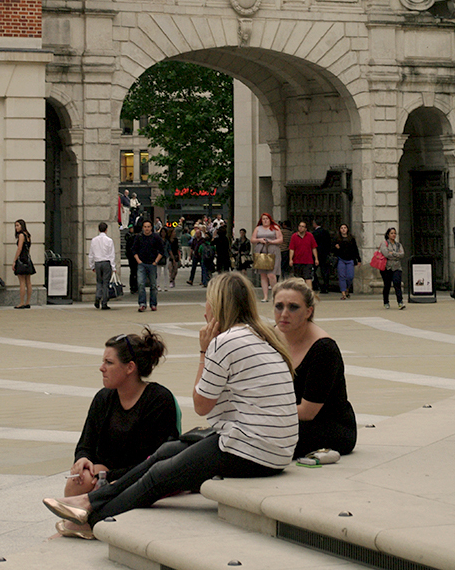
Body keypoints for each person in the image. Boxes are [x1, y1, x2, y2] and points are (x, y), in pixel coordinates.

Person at [43, 272, 298, 532]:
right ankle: (88, 500)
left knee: (159, 475)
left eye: (208, 302)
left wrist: (204, 350)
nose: (205, 311)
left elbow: (201, 405)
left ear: (219, 306)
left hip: (252, 449)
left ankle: (92, 521)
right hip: (276, 447)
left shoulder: (225, 342)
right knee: (166, 453)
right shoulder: (264, 335)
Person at [59, 329, 179, 537]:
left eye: (109, 362)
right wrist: (83, 460)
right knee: (77, 480)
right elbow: (86, 444)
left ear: (130, 368)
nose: (101, 368)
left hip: (141, 479)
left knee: (93, 483)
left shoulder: (158, 400)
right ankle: (80, 525)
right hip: (104, 474)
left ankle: (83, 526)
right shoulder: (104, 398)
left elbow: (154, 462)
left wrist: (109, 475)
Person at [273, 278, 357, 459]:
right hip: (286, 419)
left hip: (328, 427)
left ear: (308, 312)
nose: (284, 314)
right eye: (278, 306)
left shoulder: (324, 349)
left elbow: (307, 412)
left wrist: (262, 413)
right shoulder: (272, 337)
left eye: (293, 307)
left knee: (259, 439)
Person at [251, 212, 283, 302]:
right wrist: (259, 240)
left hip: (272, 251)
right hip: (261, 251)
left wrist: (272, 241)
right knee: (263, 275)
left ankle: (275, 294)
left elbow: (280, 239)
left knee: (271, 274)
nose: (265, 220)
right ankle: (265, 296)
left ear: (270, 219)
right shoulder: (258, 228)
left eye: (267, 219)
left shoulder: (275, 228)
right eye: (263, 219)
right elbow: (252, 239)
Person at [133, 219, 163, 312]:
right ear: (143, 228)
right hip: (142, 264)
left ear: (151, 228)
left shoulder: (156, 237)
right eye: (145, 227)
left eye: (148, 227)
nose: (147, 229)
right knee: (141, 284)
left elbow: (161, 251)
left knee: (153, 285)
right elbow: (134, 250)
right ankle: (142, 303)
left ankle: (153, 304)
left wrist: (156, 262)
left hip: (152, 264)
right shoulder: (139, 237)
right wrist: (138, 261)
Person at [88, 222, 116, 311]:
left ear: (98, 229)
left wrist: (92, 265)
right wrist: (113, 267)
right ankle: (104, 302)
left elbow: (91, 254)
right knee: (105, 283)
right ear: (106, 229)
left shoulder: (94, 240)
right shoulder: (109, 240)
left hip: (97, 262)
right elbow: (112, 254)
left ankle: (98, 296)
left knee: (99, 281)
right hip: (106, 262)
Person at [379, 227, 405, 310]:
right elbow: (386, 254)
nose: (393, 235)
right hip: (387, 267)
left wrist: (393, 253)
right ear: (388, 234)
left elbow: (402, 254)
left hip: (397, 267)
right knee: (387, 285)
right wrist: (396, 255)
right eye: (392, 233)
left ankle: (400, 302)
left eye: (394, 233)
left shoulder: (398, 245)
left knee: (397, 283)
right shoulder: (384, 244)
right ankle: (386, 302)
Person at [333, 224, 361, 300]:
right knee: (342, 276)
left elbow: (355, 249)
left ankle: (347, 288)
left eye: (345, 228)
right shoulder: (337, 238)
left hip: (350, 259)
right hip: (340, 259)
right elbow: (332, 249)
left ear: (347, 229)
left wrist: (359, 259)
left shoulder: (351, 238)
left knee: (350, 276)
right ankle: (343, 294)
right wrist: (336, 247)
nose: (343, 229)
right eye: (341, 228)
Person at [12, 219, 35, 309]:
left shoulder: (21, 235)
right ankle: (27, 302)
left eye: (18, 225)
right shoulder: (28, 235)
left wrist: (14, 260)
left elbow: (19, 248)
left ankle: (22, 302)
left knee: (22, 282)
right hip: (27, 259)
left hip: (21, 258)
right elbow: (28, 248)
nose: (16, 227)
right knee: (28, 281)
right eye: (15, 226)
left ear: (22, 225)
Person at [311, 218, 332, 293]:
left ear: (315, 223)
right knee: (324, 271)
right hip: (325, 254)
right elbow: (329, 243)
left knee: (313, 271)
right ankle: (326, 287)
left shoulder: (314, 233)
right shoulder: (326, 232)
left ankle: (316, 285)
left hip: (316, 254)